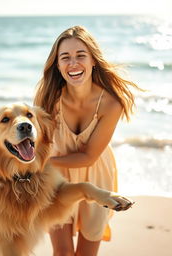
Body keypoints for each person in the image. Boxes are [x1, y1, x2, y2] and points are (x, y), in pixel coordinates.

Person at [34, 25, 140, 256]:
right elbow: (29, 135)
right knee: (62, 253)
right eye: (65, 57)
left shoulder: (111, 103)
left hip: (97, 177)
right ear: (58, 65)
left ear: (93, 60)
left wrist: (43, 163)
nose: (73, 63)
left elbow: (88, 157)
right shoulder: (49, 97)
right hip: (57, 178)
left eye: (80, 55)